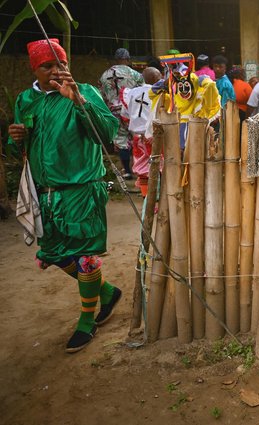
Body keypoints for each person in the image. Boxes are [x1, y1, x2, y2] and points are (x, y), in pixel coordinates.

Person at [8, 38, 122, 353]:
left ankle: (87, 321)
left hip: (82, 188)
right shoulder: (25, 100)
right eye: (48, 66)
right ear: (35, 68)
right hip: (44, 193)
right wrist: (14, 139)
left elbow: (107, 134)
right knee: (53, 254)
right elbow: (23, 150)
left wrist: (78, 103)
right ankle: (108, 292)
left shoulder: (84, 91)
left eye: (61, 64)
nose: (56, 71)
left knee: (85, 256)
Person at [98, 47, 144, 179]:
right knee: (137, 138)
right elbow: (143, 92)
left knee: (121, 141)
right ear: (128, 60)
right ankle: (140, 170)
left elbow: (102, 95)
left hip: (114, 113)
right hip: (133, 111)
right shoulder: (135, 75)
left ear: (115, 59)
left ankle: (127, 171)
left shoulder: (104, 75)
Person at [120, 67, 162, 197]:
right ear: (156, 79)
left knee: (142, 168)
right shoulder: (158, 93)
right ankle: (156, 197)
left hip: (137, 137)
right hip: (154, 135)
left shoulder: (131, 93)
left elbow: (124, 114)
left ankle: (146, 197)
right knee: (157, 166)